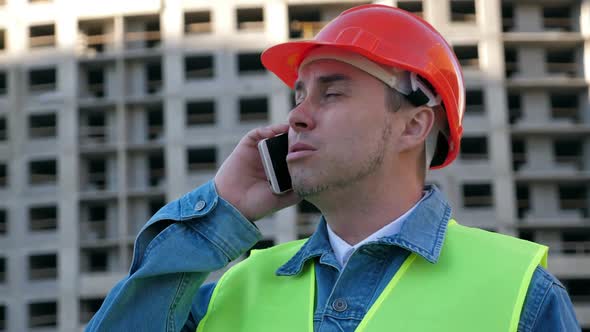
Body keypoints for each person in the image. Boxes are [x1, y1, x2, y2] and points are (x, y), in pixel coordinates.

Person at [87, 4, 580, 331]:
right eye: (298, 95)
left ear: (413, 126)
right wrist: (220, 215)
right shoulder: (230, 292)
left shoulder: (523, 295)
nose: (296, 115)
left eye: (333, 92)